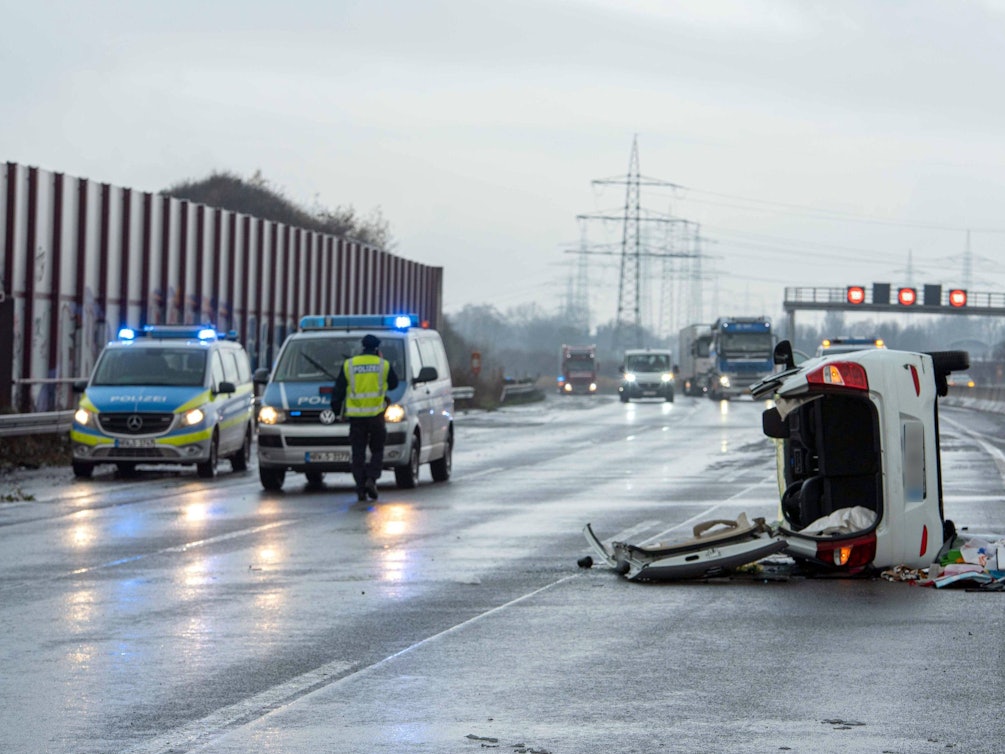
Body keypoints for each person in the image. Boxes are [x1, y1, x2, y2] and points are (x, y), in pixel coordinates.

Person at [331, 333, 399, 501]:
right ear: (377, 349)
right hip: (376, 416)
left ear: (362, 347)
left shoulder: (350, 365)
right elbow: (395, 383)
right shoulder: (383, 365)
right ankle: (371, 478)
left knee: (358, 453)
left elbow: (339, 390)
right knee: (377, 450)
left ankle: (360, 487)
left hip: (356, 417)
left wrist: (335, 408)